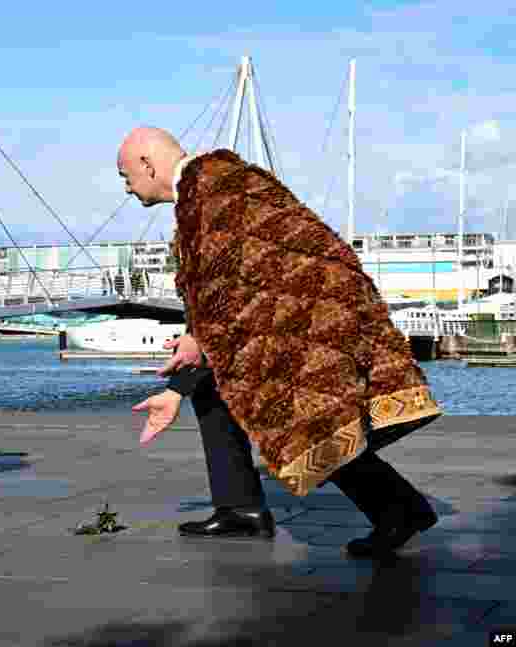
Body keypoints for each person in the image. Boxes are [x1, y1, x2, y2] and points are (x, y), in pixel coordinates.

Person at [120, 127, 442, 557]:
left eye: (125, 175)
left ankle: (399, 510)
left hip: (307, 319)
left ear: (147, 164)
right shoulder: (215, 184)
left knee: (312, 421)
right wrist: (186, 368)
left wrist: (187, 362)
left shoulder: (211, 190)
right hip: (309, 308)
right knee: (221, 390)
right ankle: (240, 507)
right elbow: (225, 276)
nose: (126, 187)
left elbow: (221, 286)